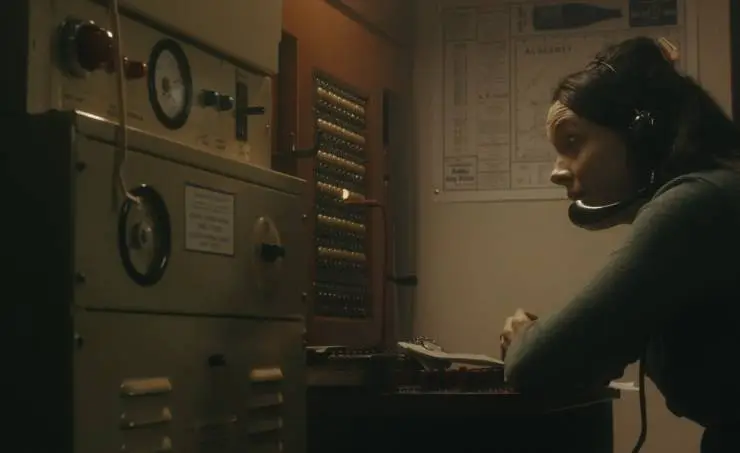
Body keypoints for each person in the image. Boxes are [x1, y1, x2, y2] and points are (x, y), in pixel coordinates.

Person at [499, 36, 740, 453]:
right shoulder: (714, 192)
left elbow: (537, 367)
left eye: (572, 143)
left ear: (642, 134)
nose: (557, 172)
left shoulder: (694, 205)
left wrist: (524, 337)